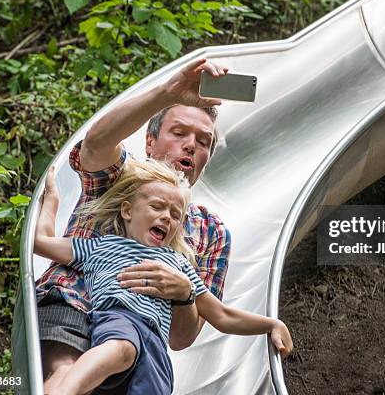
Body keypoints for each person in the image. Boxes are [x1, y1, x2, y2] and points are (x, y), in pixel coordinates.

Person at [34, 59, 234, 387]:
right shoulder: (122, 179)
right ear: (150, 143)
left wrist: (184, 294)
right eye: (179, 132)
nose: (190, 145)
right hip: (75, 303)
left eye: (202, 142)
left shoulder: (211, 232)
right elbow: (96, 143)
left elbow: (181, 338)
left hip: (136, 335)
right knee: (65, 369)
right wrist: (165, 94)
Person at [35, 162, 292, 395]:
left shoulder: (179, 265)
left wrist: (270, 324)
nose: (166, 217)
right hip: (120, 318)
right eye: (157, 206)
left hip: (157, 345)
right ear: (127, 210)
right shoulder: (99, 247)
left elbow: (222, 315)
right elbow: (42, 243)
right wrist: (52, 201)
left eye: (175, 214)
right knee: (122, 348)